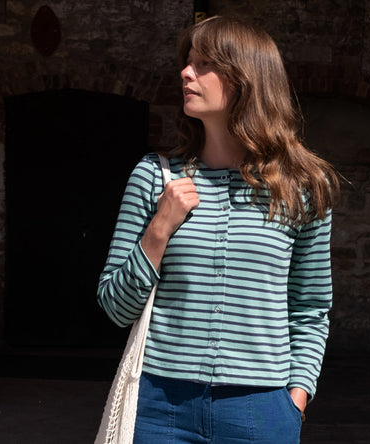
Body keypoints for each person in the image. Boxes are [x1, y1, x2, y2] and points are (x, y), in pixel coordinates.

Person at [97, 15, 338, 443]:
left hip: (261, 410)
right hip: (159, 408)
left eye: (204, 63)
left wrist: (296, 398)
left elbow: (310, 307)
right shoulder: (154, 177)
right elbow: (115, 308)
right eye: (187, 61)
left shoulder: (301, 187)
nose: (186, 73)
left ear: (246, 79)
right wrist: (159, 229)